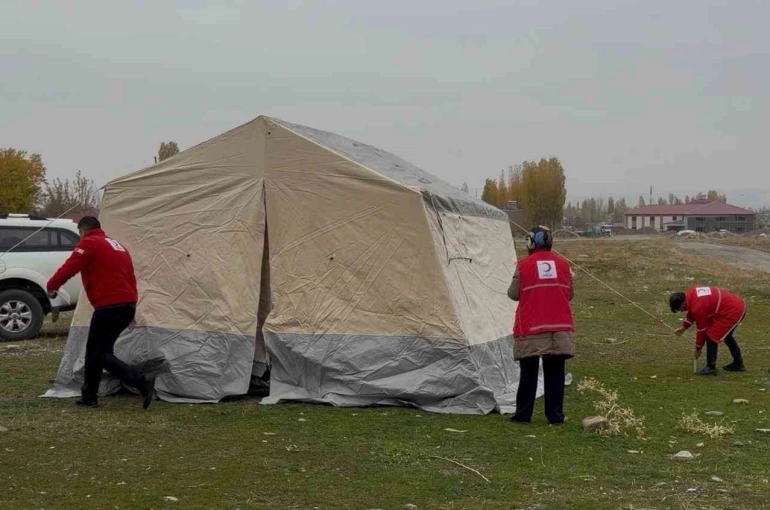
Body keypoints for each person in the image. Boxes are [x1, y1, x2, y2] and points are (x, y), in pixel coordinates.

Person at [47, 216, 156, 409]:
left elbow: (69, 267)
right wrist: (131, 308)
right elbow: (130, 276)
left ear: (83, 230)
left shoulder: (90, 243)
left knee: (99, 353)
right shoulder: (116, 244)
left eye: (80, 234)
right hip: (126, 304)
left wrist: (52, 285)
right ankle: (89, 396)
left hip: (110, 306)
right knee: (96, 351)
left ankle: (140, 380)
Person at [508, 226, 575, 425]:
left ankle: (523, 415)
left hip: (532, 326)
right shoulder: (563, 264)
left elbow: (513, 293)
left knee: (528, 372)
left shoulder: (523, 265)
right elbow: (569, 294)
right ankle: (555, 416)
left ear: (531, 242)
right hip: (559, 326)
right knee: (555, 373)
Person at [670, 286, 746, 375]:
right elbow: (692, 312)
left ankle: (711, 367)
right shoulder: (691, 294)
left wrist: (698, 348)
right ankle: (738, 363)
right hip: (731, 307)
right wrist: (684, 327)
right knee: (726, 336)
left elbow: (702, 330)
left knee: (711, 335)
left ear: (683, 304)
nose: (682, 311)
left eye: (680, 309)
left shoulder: (698, 306)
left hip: (732, 311)